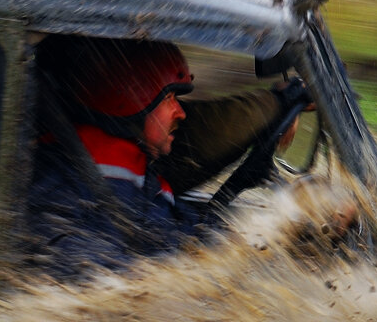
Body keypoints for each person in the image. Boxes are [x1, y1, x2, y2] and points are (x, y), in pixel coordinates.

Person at [26, 35, 305, 276]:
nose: (181, 113)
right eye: (170, 99)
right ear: (133, 100)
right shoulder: (76, 178)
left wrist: (266, 235)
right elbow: (86, 270)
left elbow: (174, 228)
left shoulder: (128, 172)